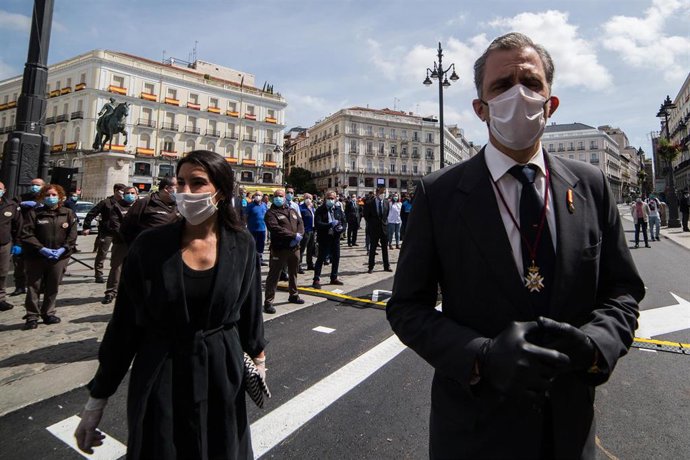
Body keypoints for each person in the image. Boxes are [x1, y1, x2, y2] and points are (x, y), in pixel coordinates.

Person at [386, 32, 644, 459]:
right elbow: (406, 307)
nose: (519, 94)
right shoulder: (439, 193)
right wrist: (481, 357)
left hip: (569, 429)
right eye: (502, 86)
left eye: (531, 82)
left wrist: (597, 344)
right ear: (480, 109)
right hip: (474, 430)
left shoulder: (592, 185)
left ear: (551, 102)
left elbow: (622, 290)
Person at [74, 150, 266, 458]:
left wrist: (259, 361)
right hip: (161, 369)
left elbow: (251, 312)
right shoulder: (149, 246)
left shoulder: (242, 244)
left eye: (197, 183)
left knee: (221, 447)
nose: (185, 192)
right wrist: (97, 400)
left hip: (221, 370)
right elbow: (123, 327)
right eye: (180, 182)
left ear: (221, 191)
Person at [20, 184, 77, 329]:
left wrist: (63, 249)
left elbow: (72, 235)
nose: (51, 198)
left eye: (53, 195)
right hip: (37, 256)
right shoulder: (34, 213)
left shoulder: (68, 213)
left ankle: (48, 312)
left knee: (53, 285)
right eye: (47, 195)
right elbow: (27, 234)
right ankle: (32, 315)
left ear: (59, 197)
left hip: (60, 256)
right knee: (34, 286)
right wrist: (41, 249)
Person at [263, 188, 305, 314]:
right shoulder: (271, 213)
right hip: (279, 248)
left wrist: (299, 235)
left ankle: (294, 294)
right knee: (274, 275)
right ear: (272, 198)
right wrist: (293, 236)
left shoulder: (291, 210)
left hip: (294, 248)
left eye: (281, 196)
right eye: (276, 196)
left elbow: (300, 223)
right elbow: (275, 229)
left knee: (293, 272)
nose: (279, 198)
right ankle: (268, 302)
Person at [82, 183, 126, 283]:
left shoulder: (124, 203)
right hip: (107, 232)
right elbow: (92, 213)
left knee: (120, 254)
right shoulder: (105, 202)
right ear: (116, 190)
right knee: (102, 253)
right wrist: (86, 227)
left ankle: (119, 274)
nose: (124, 193)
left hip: (120, 232)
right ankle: (99, 274)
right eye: (122, 191)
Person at [101, 186, 138, 304]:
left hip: (138, 242)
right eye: (127, 193)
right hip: (121, 242)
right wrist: (128, 238)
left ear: (137, 194)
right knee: (116, 267)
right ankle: (111, 292)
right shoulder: (117, 206)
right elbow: (116, 226)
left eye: (132, 193)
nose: (130, 195)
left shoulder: (141, 206)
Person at [10, 177, 45, 296]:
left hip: (39, 235)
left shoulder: (46, 198)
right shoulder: (22, 197)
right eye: (33, 184)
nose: (34, 187)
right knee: (19, 263)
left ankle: (40, 286)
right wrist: (19, 204)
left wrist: (38, 205)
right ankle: (19, 286)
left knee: (39, 264)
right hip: (21, 234)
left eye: (38, 185)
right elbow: (12, 205)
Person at [120, 178, 179, 245]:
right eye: (178, 187)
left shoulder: (179, 205)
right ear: (166, 188)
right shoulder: (144, 203)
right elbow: (126, 228)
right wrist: (137, 249)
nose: (182, 190)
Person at [312, 190, 345, 289]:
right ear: (325, 198)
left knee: (336, 258)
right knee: (321, 258)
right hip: (324, 238)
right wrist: (330, 224)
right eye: (329, 198)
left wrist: (342, 228)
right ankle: (316, 279)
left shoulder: (338, 209)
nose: (330, 200)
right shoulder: (320, 210)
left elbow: (344, 221)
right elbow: (318, 224)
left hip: (335, 238)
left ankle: (334, 277)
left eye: (332, 198)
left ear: (335, 199)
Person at [0, 181, 21, 312]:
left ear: (5, 190)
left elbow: (17, 226)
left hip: (4, 244)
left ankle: (1, 298)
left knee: (2, 273)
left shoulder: (11, 205)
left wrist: (18, 243)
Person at [362, 186, 392, 274]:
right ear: (377, 193)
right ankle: (370, 266)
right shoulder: (370, 203)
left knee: (384, 249)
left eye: (384, 193)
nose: (383, 194)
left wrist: (384, 223)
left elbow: (386, 214)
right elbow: (366, 215)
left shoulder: (386, 202)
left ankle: (386, 266)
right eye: (382, 193)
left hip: (384, 228)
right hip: (374, 228)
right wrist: (372, 223)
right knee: (373, 248)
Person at [245, 191, 269, 266]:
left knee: (261, 245)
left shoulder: (264, 205)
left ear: (262, 197)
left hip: (262, 229)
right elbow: (245, 216)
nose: (257, 196)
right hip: (252, 229)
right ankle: (251, 260)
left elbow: (267, 216)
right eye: (256, 195)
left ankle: (260, 259)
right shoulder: (250, 205)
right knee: (252, 245)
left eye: (259, 195)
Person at [298, 193, 316, 273]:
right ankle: (298, 265)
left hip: (312, 230)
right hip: (305, 231)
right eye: (307, 197)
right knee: (302, 249)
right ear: (304, 198)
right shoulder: (301, 208)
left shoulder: (312, 207)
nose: (308, 199)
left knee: (310, 248)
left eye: (310, 198)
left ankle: (310, 264)